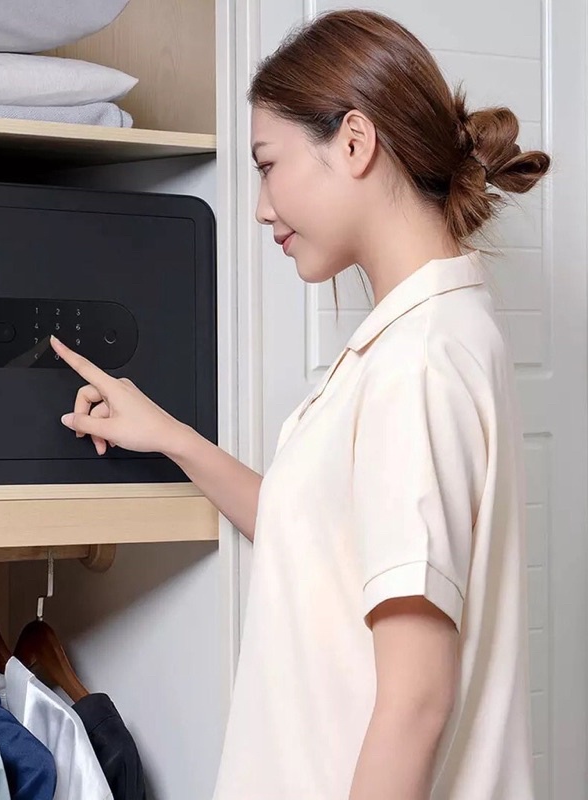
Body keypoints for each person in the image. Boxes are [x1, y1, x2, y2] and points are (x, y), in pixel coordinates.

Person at [49, 9, 550, 799]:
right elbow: (321, 541)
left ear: (353, 142)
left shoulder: (417, 363)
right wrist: (173, 436)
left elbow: (416, 704)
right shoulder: (422, 338)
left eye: (268, 164)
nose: (260, 206)